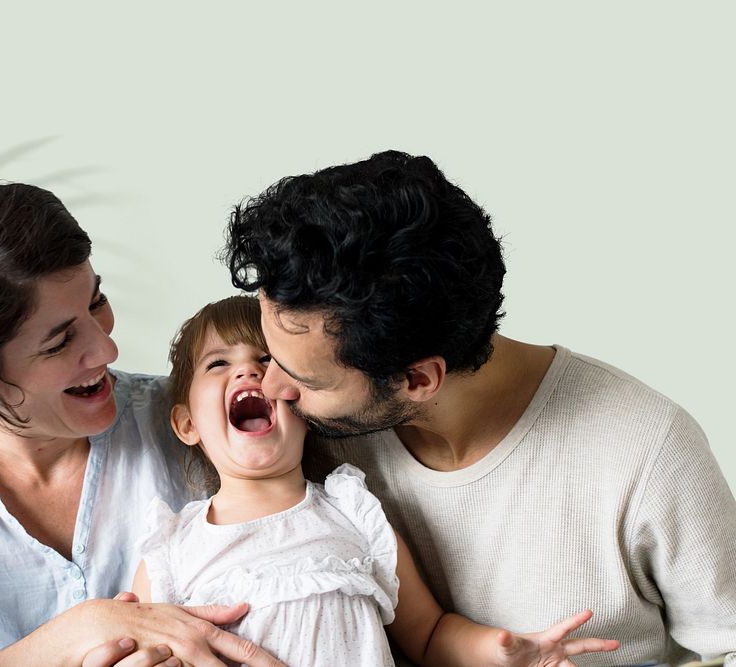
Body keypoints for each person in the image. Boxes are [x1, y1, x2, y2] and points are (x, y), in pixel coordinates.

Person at [222, 151, 736, 666]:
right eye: (269, 356)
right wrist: (140, 620)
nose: (271, 386)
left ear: (418, 379)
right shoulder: (295, 434)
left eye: (304, 380)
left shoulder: (648, 450)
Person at [0, 182, 283, 667]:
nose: (107, 350)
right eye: (59, 342)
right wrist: (83, 631)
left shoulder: (199, 423)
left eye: (96, 302)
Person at [131, 295, 619, 667]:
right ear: (186, 424)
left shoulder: (354, 511)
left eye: (267, 361)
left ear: (300, 402)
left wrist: (505, 650)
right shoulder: (171, 549)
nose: (250, 372)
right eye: (219, 363)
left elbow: (428, 636)